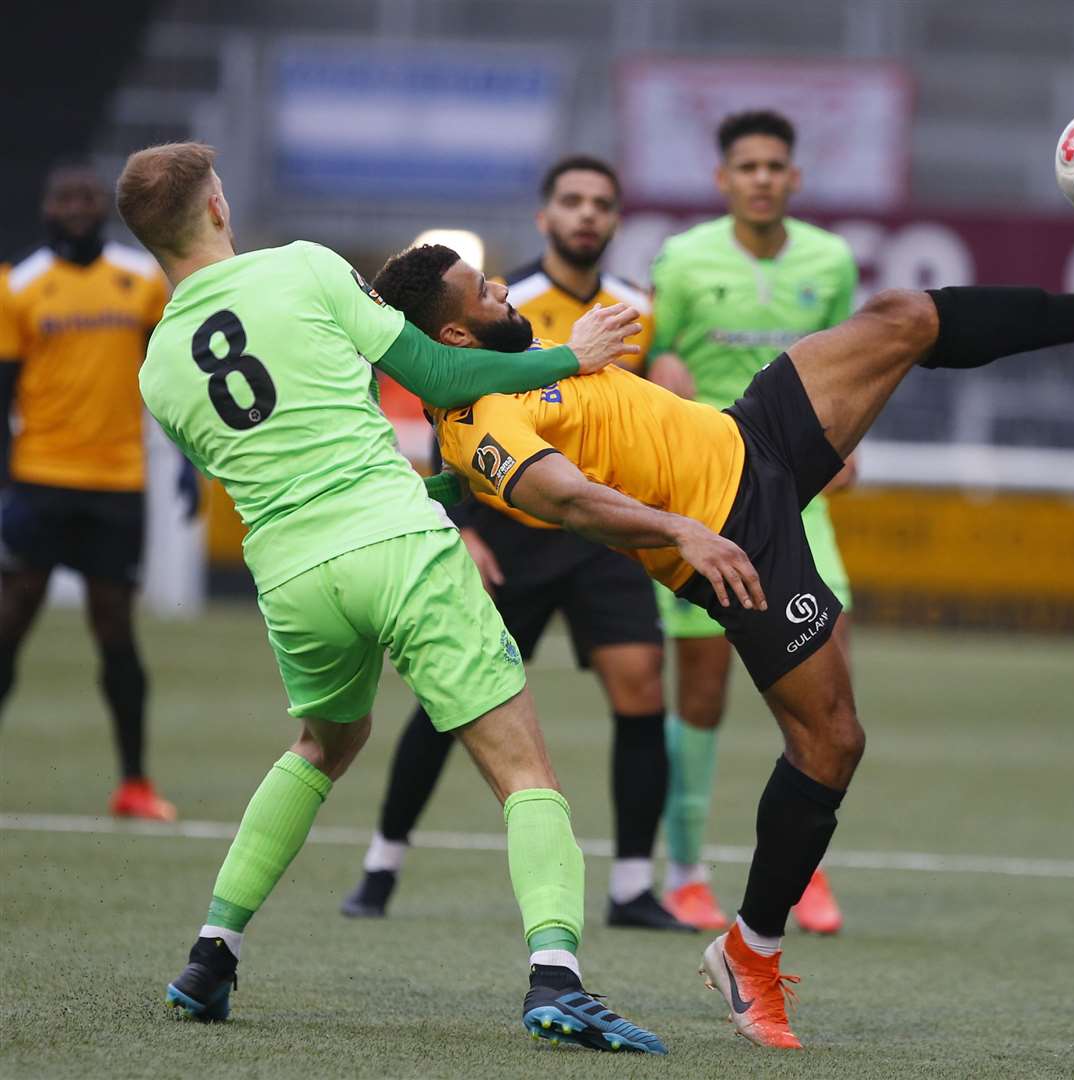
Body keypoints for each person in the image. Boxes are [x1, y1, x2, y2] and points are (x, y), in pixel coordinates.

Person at [373, 232, 1074, 1048]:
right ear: (453, 330)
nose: (502, 286)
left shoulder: (516, 366)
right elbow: (560, 496)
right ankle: (749, 951)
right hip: (729, 536)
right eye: (483, 290)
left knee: (905, 318)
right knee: (831, 741)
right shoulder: (477, 420)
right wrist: (679, 534)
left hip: (747, 435)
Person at [115, 142, 759, 1053]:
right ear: (217, 205)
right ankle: (557, 979)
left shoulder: (156, 372)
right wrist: (565, 358)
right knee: (523, 772)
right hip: (399, 547)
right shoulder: (301, 267)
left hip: (294, 578)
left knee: (322, 744)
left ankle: (210, 956)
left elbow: (283, 475)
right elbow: (442, 377)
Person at [342, 156, 688, 931]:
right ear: (545, 217)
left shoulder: (637, 307)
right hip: (510, 528)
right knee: (451, 701)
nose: (586, 214)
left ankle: (633, 885)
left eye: (601, 202)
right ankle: (381, 863)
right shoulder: (501, 301)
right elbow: (450, 411)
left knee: (641, 689)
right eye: (571, 201)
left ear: (615, 218)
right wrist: (461, 526)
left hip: (598, 527)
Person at [646, 111, 857, 933]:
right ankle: (685, 871)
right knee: (699, 691)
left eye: (776, 164)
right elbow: (647, 361)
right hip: (704, 497)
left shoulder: (829, 261)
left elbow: (843, 361)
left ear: (793, 178)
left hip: (801, 497)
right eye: (748, 166)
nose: (763, 177)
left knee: (828, 694)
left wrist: (850, 441)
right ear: (723, 180)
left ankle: (806, 874)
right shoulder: (684, 259)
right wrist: (660, 370)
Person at [0, 160, 197, 821]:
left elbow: (173, 377)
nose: (78, 206)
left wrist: (188, 459)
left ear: (105, 207)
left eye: (88, 196)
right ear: (46, 207)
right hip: (39, 479)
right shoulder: (19, 285)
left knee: (115, 632)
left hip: (117, 484)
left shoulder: (140, 281)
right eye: (66, 197)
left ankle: (134, 783)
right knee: (10, 624)